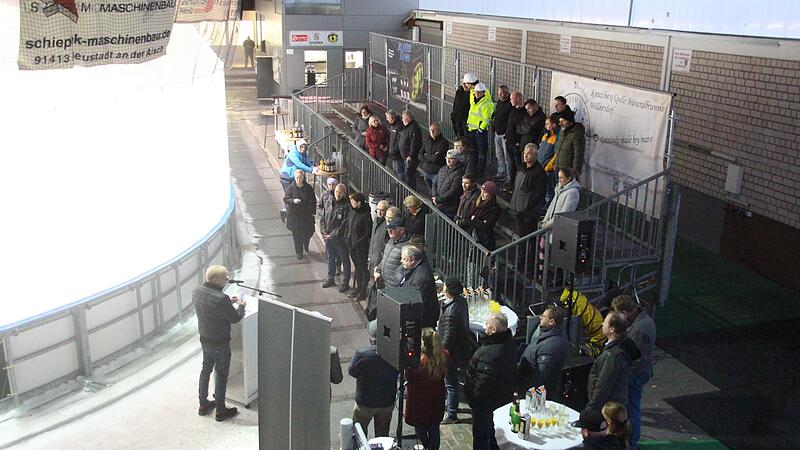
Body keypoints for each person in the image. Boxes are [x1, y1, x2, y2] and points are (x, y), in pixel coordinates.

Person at [193, 265, 246, 421]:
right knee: (221, 374)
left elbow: (209, 305)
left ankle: (203, 404)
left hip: (205, 339)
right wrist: (241, 306)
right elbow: (235, 318)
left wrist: (227, 301)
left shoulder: (197, 290)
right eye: (225, 278)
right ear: (216, 280)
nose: (227, 280)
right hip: (220, 342)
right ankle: (221, 410)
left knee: (205, 370)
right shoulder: (220, 299)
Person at [466, 312, 518, 450]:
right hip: (499, 399)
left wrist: (474, 400)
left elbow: (483, 383)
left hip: (485, 404)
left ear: (494, 330)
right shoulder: (509, 343)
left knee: (482, 436)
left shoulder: (490, 353)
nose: (485, 327)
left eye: (487, 324)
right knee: (493, 435)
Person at [612, 295, 656, 449]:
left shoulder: (639, 329)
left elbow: (635, 356)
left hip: (635, 375)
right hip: (641, 372)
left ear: (625, 312)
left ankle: (631, 443)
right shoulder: (645, 320)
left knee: (632, 409)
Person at [583, 312, 639, 417]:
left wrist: (590, 410)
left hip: (608, 409)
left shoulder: (613, 356)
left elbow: (604, 385)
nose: (602, 324)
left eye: (605, 322)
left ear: (612, 329)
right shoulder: (619, 347)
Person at [349, 322, 399, 438]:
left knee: (359, 435)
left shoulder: (361, 354)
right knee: (382, 437)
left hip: (365, 402)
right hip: (386, 401)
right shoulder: (393, 352)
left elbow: (352, 371)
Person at [405, 328, 449, 450]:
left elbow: (408, 377)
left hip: (419, 401)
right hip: (436, 399)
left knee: (420, 429)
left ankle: (425, 446)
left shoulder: (418, 361)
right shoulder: (444, 355)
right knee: (434, 427)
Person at [437, 276, 473, 424]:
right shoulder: (460, 302)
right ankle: (452, 407)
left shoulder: (452, 311)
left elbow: (449, 336)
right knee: (451, 382)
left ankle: (451, 413)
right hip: (459, 348)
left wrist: (442, 353)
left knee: (450, 383)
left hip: (451, 352)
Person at [517, 305, 570, 397]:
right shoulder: (547, 333)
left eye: (543, 316)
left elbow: (541, 376)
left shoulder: (551, 346)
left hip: (532, 393)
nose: (540, 317)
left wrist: (527, 392)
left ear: (551, 322)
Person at [510, 144, 547, 237]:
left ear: (535, 156)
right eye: (525, 153)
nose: (525, 155)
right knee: (521, 236)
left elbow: (540, 192)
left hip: (528, 213)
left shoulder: (539, 172)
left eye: (529, 154)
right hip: (518, 209)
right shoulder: (521, 167)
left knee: (529, 238)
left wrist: (528, 205)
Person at [399, 245, 440, 328]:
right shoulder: (417, 269)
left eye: (404, 259)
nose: (401, 261)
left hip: (422, 322)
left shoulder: (421, 278)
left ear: (412, 260)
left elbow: (419, 303)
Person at [322, 184, 351, 292]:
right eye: (336, 192)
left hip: (340, 239)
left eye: (340, 192)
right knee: (330, 258)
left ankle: (345, 282)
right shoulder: (330, 202)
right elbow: (324, 217)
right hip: (328, 238)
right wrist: (324, 231)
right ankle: (330, 278)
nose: (337, 194)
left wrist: (332, 234)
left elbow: (344, 224)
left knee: (344, 260)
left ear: (344, 193)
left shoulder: (346, 207)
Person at [283, 169, 317, 259]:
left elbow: (313, 199)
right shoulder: (290, 188)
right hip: (295, 216)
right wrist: (293, 201)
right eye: (297, 178)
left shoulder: (308, 188)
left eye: (300, 178)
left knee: (309, 232)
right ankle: (299, 252)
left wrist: (313, 211)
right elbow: (286, 199)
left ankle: (305, 243)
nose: (298, 180)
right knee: (297, 235)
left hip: (306, 215)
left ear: (303, 178)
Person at [345, 192, 372, 300]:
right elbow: (348, 225)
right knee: (357, 267)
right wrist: (346, 237)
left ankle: (362, 290)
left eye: (353, 202)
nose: (351, 203)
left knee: (362, 268)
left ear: (359, 203)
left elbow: (367, 233)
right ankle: (358, 287)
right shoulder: (352, 212)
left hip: (360, 247)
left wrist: (357, 242)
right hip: (351, 245)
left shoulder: (365, 215)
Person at [461, 181, 502, 250]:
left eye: (485, 192)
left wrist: (474, 219)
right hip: (471, 234)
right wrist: (479, 221)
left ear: (491, 194)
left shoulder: (495, 208)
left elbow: (486, 226)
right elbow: (467, 217)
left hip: (483, 239)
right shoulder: (476, 200)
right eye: (481, 191)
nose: (482, 194)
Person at [466, 82, 495, 177]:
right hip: (472, 129)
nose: (476, 94)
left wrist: (480, 129)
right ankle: (474, 169)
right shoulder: (475, 101)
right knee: (474, 151)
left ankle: (480, 171)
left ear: (483, 92)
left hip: (479, 132)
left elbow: (487, 118)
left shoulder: (486, 104)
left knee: (482, 153)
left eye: (479, 92)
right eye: (475, 92)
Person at [374, 215, 409, 288]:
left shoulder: (406, 247)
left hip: (394, 287)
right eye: (388, 228)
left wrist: (396, 280)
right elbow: (384, 258)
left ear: (402, 230)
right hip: (384, 283)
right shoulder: (390, 241)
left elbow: (406, 267)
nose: (389, 231)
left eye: (393, 229)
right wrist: (378, 270)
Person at [432, 150, 465, 220]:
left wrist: (438, 199)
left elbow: (453, 190)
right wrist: (434, 196)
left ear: (457, 160)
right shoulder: (442, 169)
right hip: (438, 204)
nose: (448, 160)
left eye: (451, 158)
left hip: (449, 207)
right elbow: (435, 183)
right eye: (447, 158)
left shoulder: (459, 173)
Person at [553, 109, 586, 178]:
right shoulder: (562, 131)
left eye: (563, 121)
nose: (560, 124)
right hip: (558, 169)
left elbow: (578, 155)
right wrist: (555, 164)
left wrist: (575, 173)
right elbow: (559, 149)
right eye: (560, 121)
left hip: (568, 172)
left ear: (570, 121)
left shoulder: (577, 134)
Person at [318, 177, 341, 273]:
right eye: (330, 185)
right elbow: (320, 206)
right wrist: (321, 213)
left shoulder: (340, 199)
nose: (331, 187)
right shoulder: (324, 195)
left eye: (333, 185)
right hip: (326, 227)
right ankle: (331, 272)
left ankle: (338, 265)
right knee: (329, 252)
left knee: (338, 250)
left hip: (335, 229)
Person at [420, 122, 450, 192]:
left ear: (439, 131)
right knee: (430, 191)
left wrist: (426, 155)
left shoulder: (443, 142)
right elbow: (420, 155)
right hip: (427, 171)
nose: (432, 132)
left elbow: (436, 158)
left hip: (437, 172)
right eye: (430, 130)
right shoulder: (427, 140)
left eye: (434, 130)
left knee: (436, 191)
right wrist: (430, 158)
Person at [492, 85, 513, 184]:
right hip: (497, 133)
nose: (500, 95)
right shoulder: (499, 102)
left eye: (502, 93)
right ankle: (501, 172)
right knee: (499, 154)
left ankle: (509, 176)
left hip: (505, 135)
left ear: (507, 93)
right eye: (499, 93)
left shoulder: (510, 104)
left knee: (506, 157)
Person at [539, 114, 560, 208]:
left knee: (549, 191)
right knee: (542, 190)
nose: (545, 126)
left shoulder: (557, 137)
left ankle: (547, 209)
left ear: (554, 125)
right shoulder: (545, 136)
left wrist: (549, 166)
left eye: (548, 124)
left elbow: (556, 154)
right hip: (540, 166)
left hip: (548, 169)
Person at [504, 91, 526, 182]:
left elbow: (522, 128)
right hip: (509, 141)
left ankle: (518, 183)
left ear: (518, 99)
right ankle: (512, 182)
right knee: (511, 163)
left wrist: (518, 142)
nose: (510, 100)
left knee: (518, 165)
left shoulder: (524, 112)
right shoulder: (512, 109)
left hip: (516, 143)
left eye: (511, 98)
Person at [398, 110, 423, 189]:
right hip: (406, 157)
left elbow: (414, 143)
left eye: (403, 118)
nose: (402, 120)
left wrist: (410, 155)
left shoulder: (414, 128)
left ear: (407, 118)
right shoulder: (408, 127)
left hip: (410, 158)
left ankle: (410, 192)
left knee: (409, 176)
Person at [452, 73, 477, 138]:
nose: (463, 85)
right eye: (462, 82)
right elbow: (456, 105)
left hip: (466, 121)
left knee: (466, 139)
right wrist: (453, 115)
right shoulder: (459, 91)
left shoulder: (473, 93)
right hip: (457, 119)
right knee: (459, 137)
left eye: (465, 83)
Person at [385, 109, 405, 176]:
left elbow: (399, 140)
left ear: (392, 117)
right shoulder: (393, 125)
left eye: (388, 117)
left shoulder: (399, 126)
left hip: (398, 154)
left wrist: (393, 150)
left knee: (400, 172)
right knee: (395, 171)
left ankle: (400, 185)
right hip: (394, 154)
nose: (387, 119)